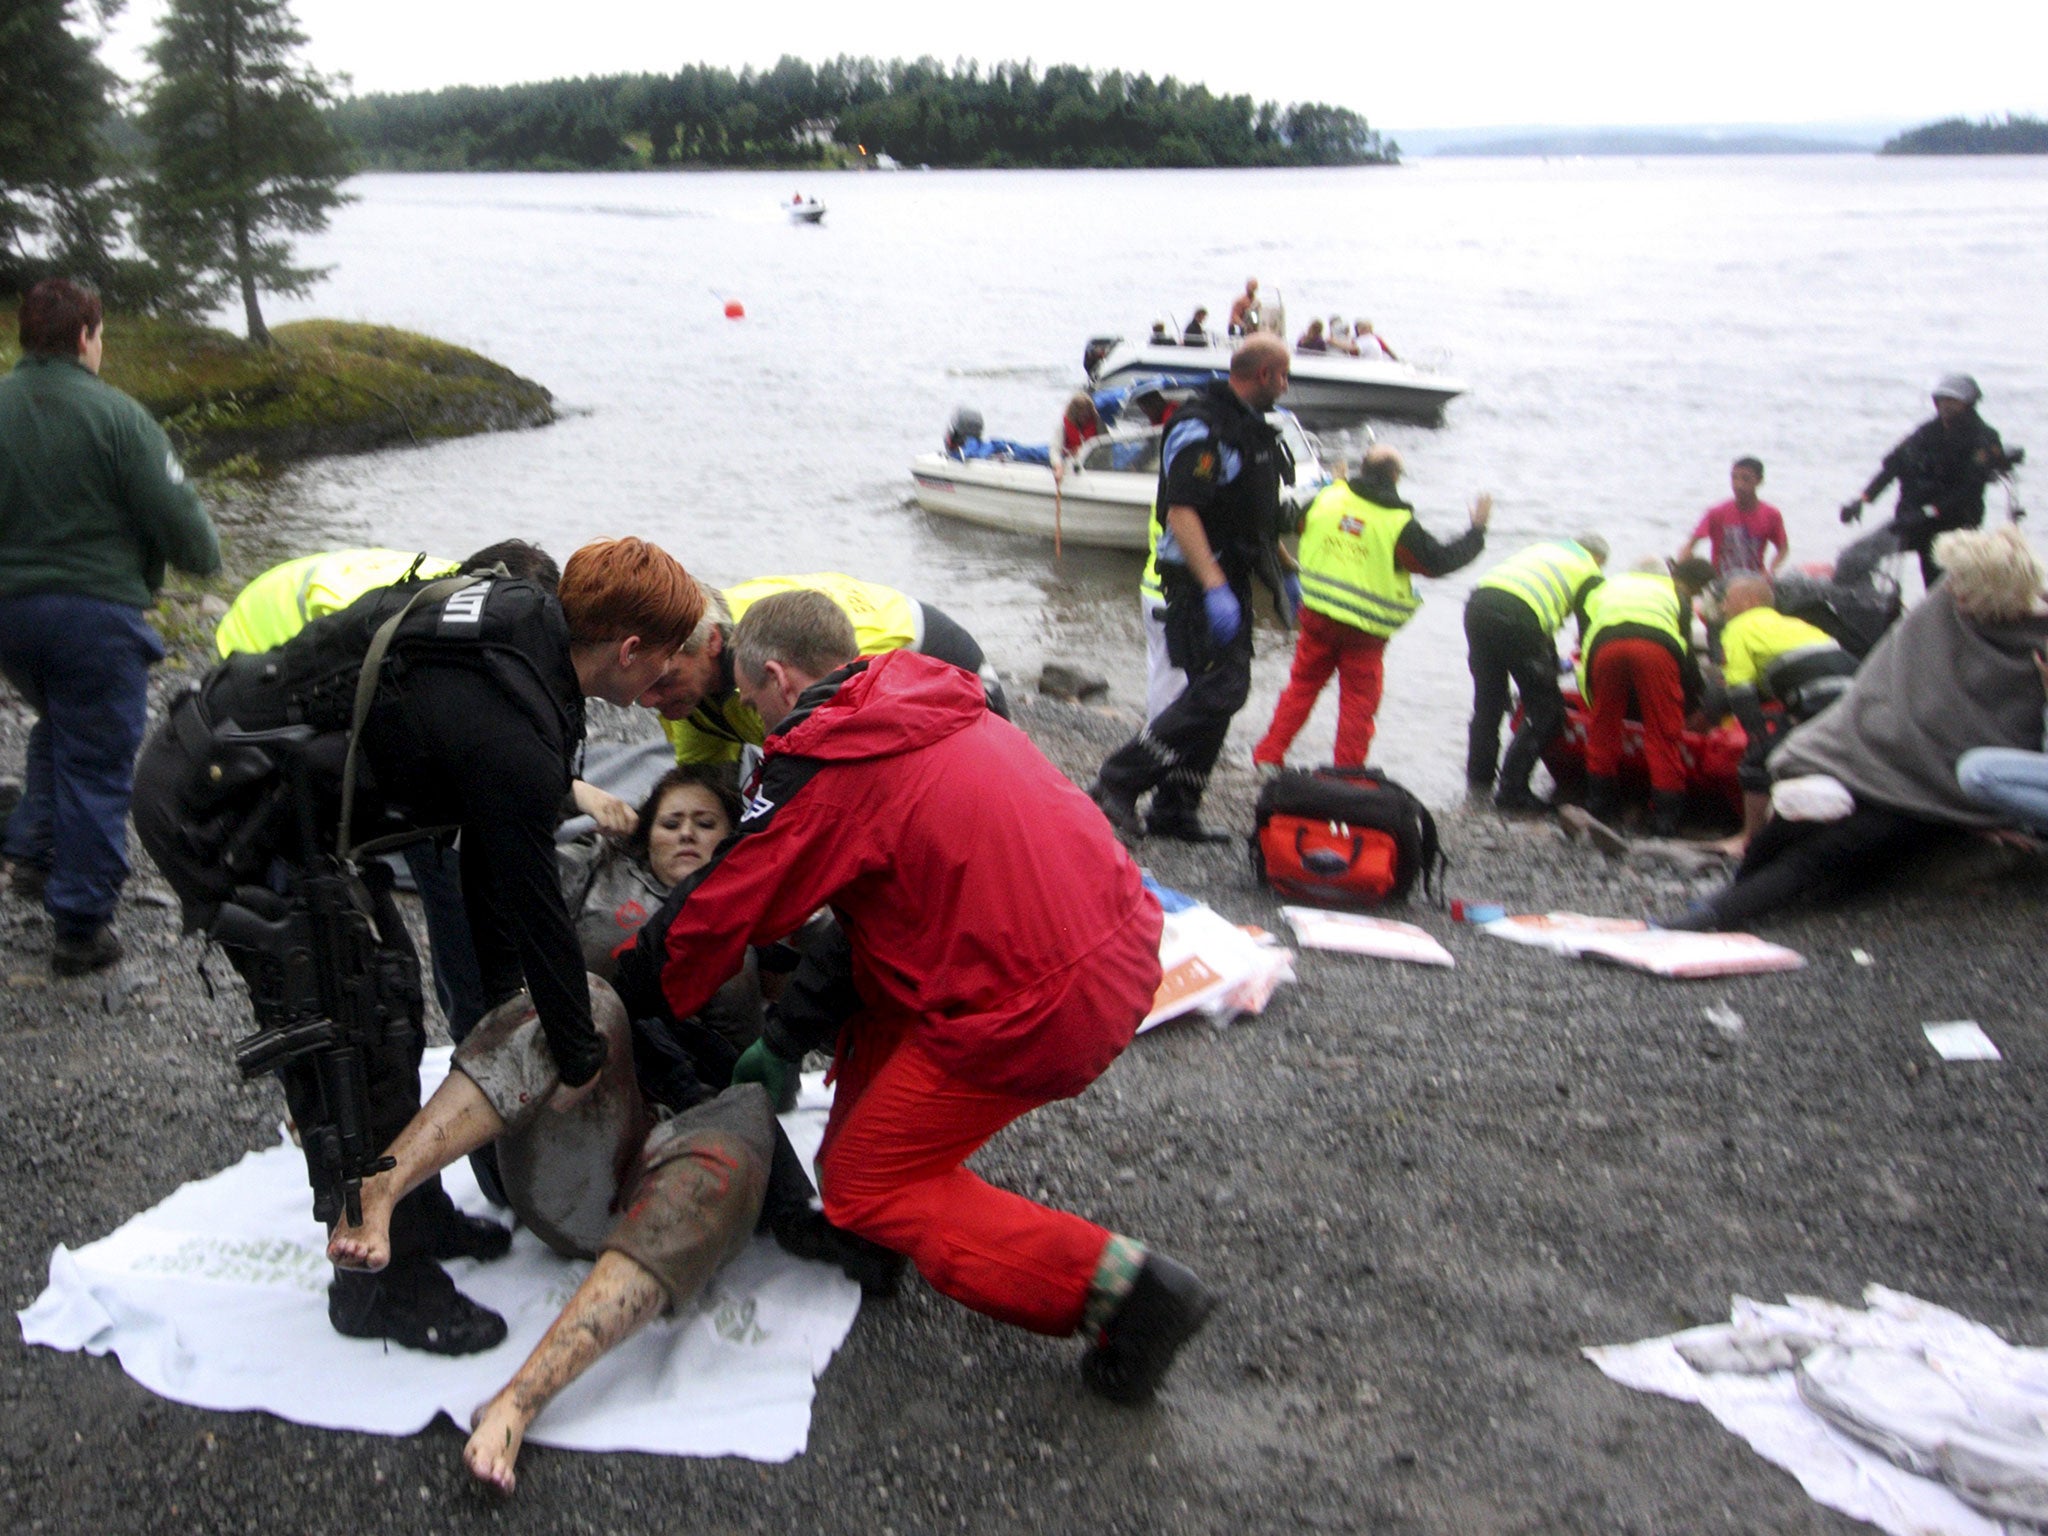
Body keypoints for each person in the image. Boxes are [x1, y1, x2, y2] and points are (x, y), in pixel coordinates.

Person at [133, 537, 703, 1355]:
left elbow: (486, 856)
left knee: (394, 998)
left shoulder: (529, 629)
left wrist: (514, 1005)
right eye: (666, 657)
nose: (667, 676)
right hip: (218, 810)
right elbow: (525, 896)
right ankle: (375, 1292)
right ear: (628, 649)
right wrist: (576, 1057)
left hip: (294, 809)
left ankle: (420, 1212)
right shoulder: (513, 719)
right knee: (342, 1037)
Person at [648, 590, 1213, 1409]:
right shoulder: (919, 703)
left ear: (773, 677)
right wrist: (786, 1038)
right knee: (880, 985)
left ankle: (1128, 1289)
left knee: (865, 1180)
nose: (749, 717)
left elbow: (752, 915)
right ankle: (867, 1235)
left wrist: (657, 982)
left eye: (749, 697)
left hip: (1048, 999)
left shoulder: (832, 759)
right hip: (1109, 935)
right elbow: (860, 925)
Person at [0, 279, 222, 976]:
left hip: (9, 617)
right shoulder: (121, 419)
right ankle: (81, 924)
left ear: (22, 337)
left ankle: (32, 854)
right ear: (88, 336)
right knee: (97, 757)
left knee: (61, 727)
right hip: (95, 616)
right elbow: (194, 541)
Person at [1666, 527, 2048, 930]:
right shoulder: (1944, 609)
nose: (1953, 589)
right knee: (1793, 826)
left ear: (1992, 591)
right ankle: (1718, 902)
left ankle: (1715, 914)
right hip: (1886, 756)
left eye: (1964, 583)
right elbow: (1884, 681)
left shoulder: (2033, 642)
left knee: (1838, 845)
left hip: (1943, 785)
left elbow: (2026, 747)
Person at [1091, 335, 1293, 841]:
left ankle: (1176, 807)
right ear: (1264, 374)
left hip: (1233, 575)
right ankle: (1118, 779)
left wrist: (1287, 569)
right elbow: (1183, 510)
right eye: (1284, 374)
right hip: (1199, 582)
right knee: (1222, 688)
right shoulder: (1203, 427)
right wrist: (1213, 586)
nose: (1288, 385)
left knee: (1221, 692)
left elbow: (1253, 515)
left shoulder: (1247, 428)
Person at [1253, 446, 1490, 773]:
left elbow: (1294, 522)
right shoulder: (1399, 523)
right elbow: (1437, 563)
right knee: (1358, 706)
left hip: (1318, 616)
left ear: (1360, 469)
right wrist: (1476, 532)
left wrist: (1335, 487)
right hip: (1365, 631)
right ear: (1395, 477)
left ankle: (1268, 755)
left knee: (1301, 687)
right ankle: (1347, 774)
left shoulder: (1328, 499)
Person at [645, 572, 1007, 767]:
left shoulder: (774, 669)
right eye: (643, 684)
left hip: (935, 654)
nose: (647, 700)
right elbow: (705, 785)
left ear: (711, 643)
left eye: (662, 682)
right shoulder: (679, 676)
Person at [1463, 533, 1610, 811]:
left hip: (1478, 605)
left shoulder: (1546, 548)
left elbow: (1540, 616)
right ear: (1599, 559)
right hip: (1517, 616)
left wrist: (1550, 665)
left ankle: (1478, 784)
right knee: (1547, 710)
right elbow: (1589, 634)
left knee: (1489, 702)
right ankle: (1512, 791)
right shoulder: (1589, 572)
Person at [1713, 573, 1858, 854]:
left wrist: (1755, 734)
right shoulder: (1795, 623)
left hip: (1816, 692)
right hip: (1851, 690)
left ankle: (1748, 840)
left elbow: (1740, 689)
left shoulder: (1740, 627)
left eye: (1726, 600)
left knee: (1757, 761)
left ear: (1749, 600)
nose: (1722, 608)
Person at [1574, 558, 1717, 837]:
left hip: (1606, 644)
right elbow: (1684, 652)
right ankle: (1665, 817)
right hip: (1656, 647)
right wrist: (1692, 697)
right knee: (1663, 733)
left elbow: (1586, 638)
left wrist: (1590, 694)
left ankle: (1600, 805)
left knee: (1603, 726)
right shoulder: (1676, 593)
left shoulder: (1607, 586)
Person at [1841, 375, 2017, 588]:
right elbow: (1893, 466)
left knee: (1937, 586)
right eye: (1942, 400)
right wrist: (1862, 499)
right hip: (1911, 522)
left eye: (1953, 401)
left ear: (1968, 404)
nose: (1946, 405)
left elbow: (1968, 491)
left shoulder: (1983, 438)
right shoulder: (1927, 432)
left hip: (1953, 529)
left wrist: (1927, 512)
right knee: (1854, 558)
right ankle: (1868, 613)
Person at [1679, 457, 1788, 580]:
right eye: (1734, 478)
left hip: (1754, 580)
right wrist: (1684, 563)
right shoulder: (1717, 512)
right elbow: (1690, 545)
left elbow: (1782, 549)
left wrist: (1771, 570)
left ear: (1759, 481)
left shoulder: (1771, 514)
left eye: (1745, 479)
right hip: (1720, 581)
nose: (1738, 485)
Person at [1055, 391, 1103, 476]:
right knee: (1037, 453)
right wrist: (1058, 466)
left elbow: (1104, 447)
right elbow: (1055, 450)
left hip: (1090, 459)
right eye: (1080, 414)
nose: (1083, 417)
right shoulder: (1063, 426)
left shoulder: (1097, 424)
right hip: (1066, 454)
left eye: (1086, 413)